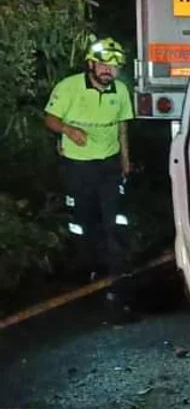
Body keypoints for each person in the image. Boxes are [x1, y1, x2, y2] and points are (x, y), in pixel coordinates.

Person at [45, 37, 135, 313]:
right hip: (78, 166)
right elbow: (50, 118)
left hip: (108, 166)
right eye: (104, 64)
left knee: (115, 221)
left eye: (115, 65)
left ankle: (117, 280)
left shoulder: (120, 91)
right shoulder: (69, 87)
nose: (109, 70)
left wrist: (125, 159)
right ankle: (84, 273)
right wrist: (70, 131)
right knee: (82, 222)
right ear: (91, 64)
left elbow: (122, 128)